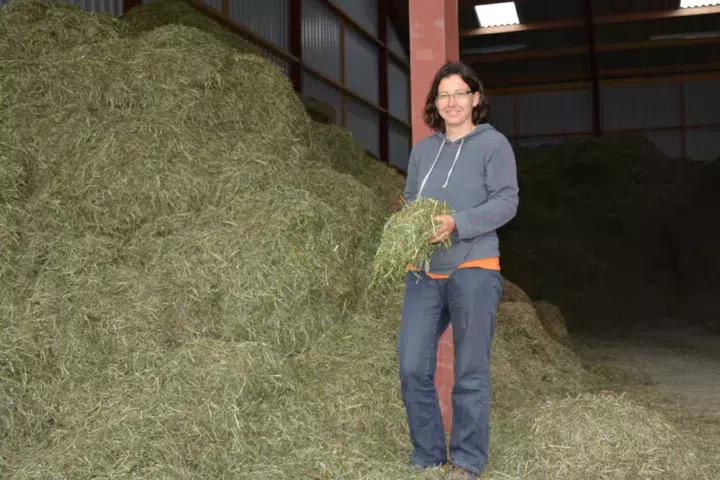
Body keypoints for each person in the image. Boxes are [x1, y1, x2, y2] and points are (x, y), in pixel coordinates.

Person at [398, 61, 519, 479]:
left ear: (475, 99)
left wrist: (457, 223)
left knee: (470, 369)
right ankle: (428, 453)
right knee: (412, 363)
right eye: (442, 95)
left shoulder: (494, 145)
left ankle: (467, 460)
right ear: (435, 102)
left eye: (458, 93)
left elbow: (507, 201)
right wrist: (408, 226)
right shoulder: (423, 151)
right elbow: (412, 200)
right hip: (424, 268)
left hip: (474, 264)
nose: (450, 102)